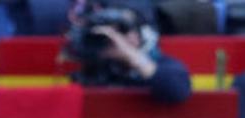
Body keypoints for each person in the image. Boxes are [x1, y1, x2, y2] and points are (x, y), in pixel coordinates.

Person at [64, 4, 192, 103]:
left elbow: (176, 91)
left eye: (121, 31)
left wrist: (131, 55)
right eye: (104, 33)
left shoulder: (163, 64)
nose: (112, 38)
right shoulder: (89, 66)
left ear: (138, 36)